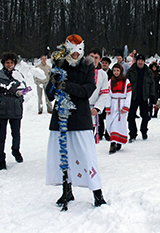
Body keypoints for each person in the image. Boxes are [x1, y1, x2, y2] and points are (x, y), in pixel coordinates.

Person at [45, 34, 106, 207]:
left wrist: (66, 86)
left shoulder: (87, 65)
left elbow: (87, 90)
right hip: (61, 118)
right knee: (62, 156)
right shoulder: (59, 65)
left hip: (80, 117)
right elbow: (50, 95)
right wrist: (53, 81)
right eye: (72, 51)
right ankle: (66, 190)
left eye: (78, 51)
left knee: (87, 156)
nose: (75, 55)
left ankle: (97, 193)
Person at [0, 52, 27, 170]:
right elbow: (0, 90)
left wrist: (20, 97)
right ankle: (0, 158)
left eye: (11, 62)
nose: (9, 65)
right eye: (7, 63)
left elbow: (23, 89)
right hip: (2, 110)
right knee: (1, 136)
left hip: (15, 109)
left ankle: (16, 150)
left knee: (16, 134)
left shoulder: (18, 75)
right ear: (3, 63)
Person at [126, 54, 155, 142]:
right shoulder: (131, 71)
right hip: (133, 97)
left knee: (145, 116)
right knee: (131, 117)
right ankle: (132, 134)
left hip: (144, 97)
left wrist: (152, 95)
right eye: (139, 60)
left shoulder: (148, 71)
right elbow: (126, 83)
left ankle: (144, 131)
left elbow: (152, 83)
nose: (140, 62)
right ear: (136, 61)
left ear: (144, 61)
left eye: (142, 61)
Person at [105, 63, 132, 154]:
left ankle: (114, 143)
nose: (116, 72)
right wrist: (108, 106)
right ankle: (115, 140)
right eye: (114, 70)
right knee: (111, 123)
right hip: (113, 104)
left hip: (121, 105)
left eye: (118, 70)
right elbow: (107, 94)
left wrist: (126, 106)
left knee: (118, 124)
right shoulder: (110, 81)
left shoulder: (126, 81)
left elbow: (129, 95)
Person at [88, 48, 109, 143]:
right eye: (91, 57)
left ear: (100, 59)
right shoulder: (81, 71)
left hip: (93, 108)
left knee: (90, 134)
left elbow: (104, 93)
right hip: (80, 108)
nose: (94, 59)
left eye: (96, 57)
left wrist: (97, 107)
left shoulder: (103, 74)